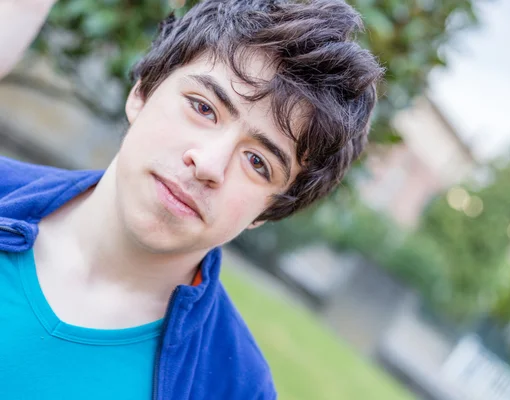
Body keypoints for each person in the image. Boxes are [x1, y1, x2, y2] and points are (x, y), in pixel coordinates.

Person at [0, 0, 382, 398]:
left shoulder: (236, 388)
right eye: (203, 107)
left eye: (257, 162)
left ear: (269, 210)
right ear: (143, 91)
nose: (208, 165)